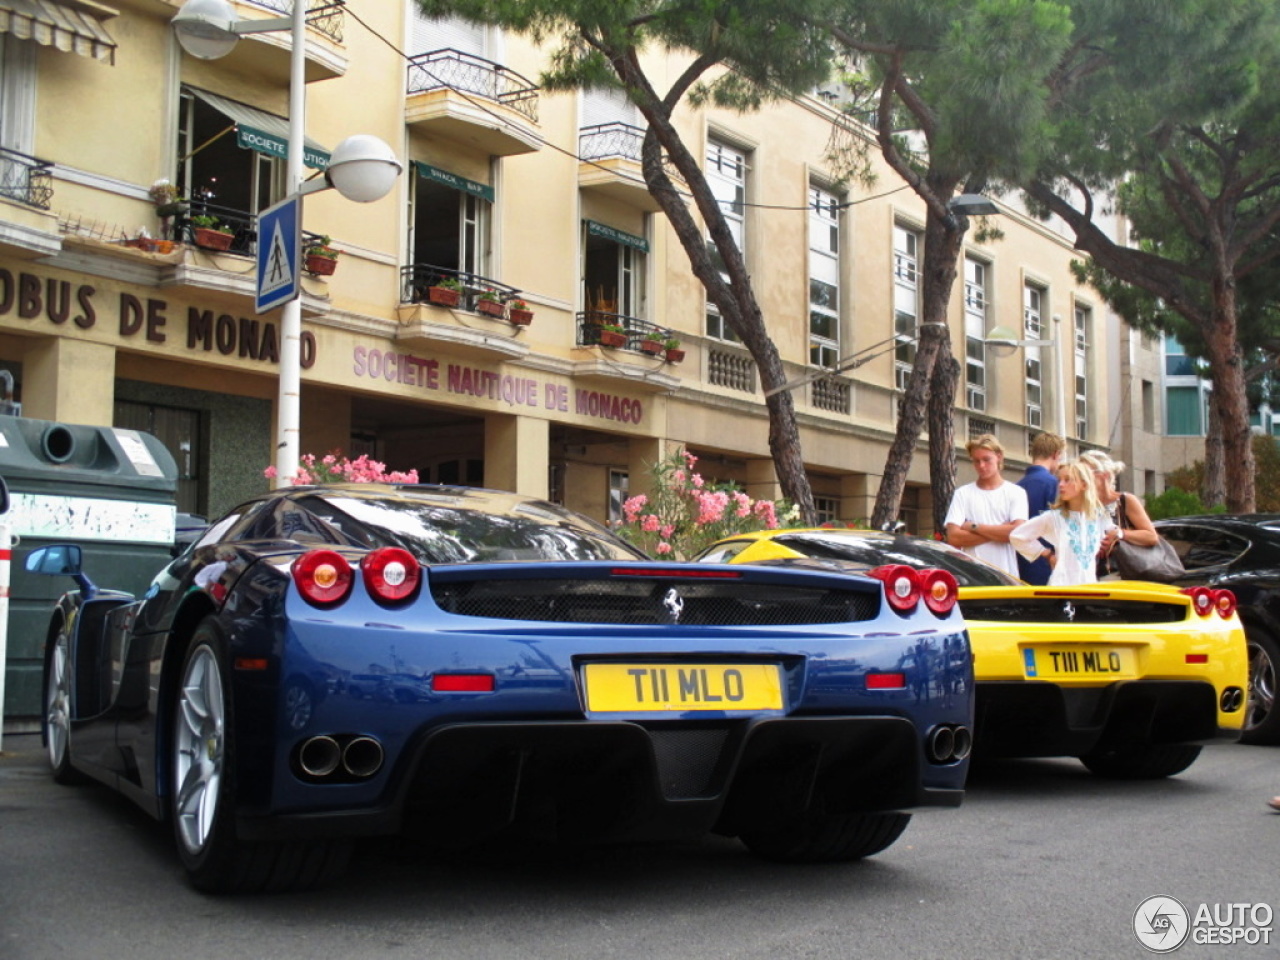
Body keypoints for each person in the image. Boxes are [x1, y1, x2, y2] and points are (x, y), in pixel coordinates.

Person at [1010, 459, 1118, 586]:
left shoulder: (1098, 516)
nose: (1061, 484)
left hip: (1089, 588)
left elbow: (1113, 530)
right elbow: (1017, 536)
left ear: (1084, 485)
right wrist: (1047, 554)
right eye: (1059, 480)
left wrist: (1115, 535)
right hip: (1061, 588)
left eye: (1067, 480)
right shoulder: (1054, 517)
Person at [945, 434, 1029, 577]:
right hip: (972, 577)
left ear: (999, 457)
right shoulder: (962, 494)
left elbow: (1017, 532)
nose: (981, 466)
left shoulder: (1016, 493)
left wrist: (974, 527)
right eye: (976, 461)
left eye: (986, 460)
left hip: (1006, 577)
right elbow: (954, 537)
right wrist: (1000, 531)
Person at [1078, 450, 1159, 576]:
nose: (1081, 480)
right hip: (1088, 576)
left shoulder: (1125, 501)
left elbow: (1151, 537)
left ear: (1104, 474)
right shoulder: (1080, 505)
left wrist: (1120, 534)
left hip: (1121, 575)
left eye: (1085, 474)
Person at [1017, 432, 1065, 585]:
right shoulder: (1056, 485)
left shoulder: (1016, 487)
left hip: (1019, 564)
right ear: (1055, 454)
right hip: (1049, 564)